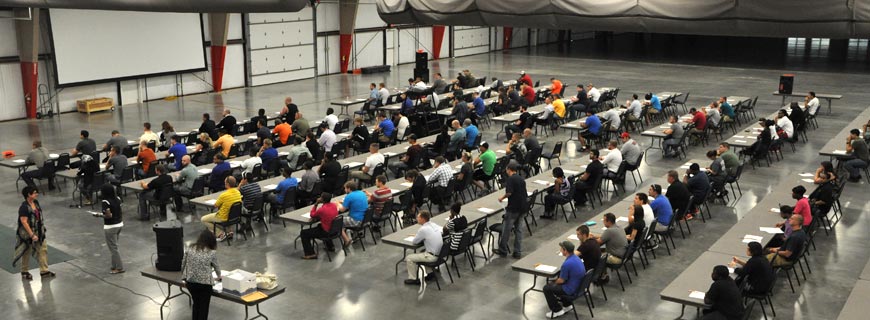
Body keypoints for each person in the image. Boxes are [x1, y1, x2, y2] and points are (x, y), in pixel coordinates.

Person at [14, 186, 54, 280]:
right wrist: (32, 234)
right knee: (26, 251)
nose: (37, 194)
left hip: (39, 231)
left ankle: (44, 271)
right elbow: (24, 222)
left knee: (43, 249)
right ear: (29, 194)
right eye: (35, 192)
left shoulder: (35, 203)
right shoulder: (24, 207)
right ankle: (24, 271)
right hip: (27, 233)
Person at [181, 230, 221, 320]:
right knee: (203, 308)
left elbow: (183, 263)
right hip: (205, 285)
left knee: (196, 305)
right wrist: (219, 276)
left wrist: (183, 277)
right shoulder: (211, 253)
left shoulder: (190, 248)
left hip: (190, 283)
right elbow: (217, 267)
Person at [542, 241, 586, 318]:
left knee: (547, 288)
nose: (560, 250)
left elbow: (561, 280)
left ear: (565, 250)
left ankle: (557, 310)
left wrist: (553, 282)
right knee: (555, 283)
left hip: (571, 289)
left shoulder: (567, 264)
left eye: (561, 249)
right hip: (578, 286)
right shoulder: (576, 258)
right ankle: (567, 305)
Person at [494, 162, 527, 258]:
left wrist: (502, 198)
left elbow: (509, 192)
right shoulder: (521, 179)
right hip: (522, 207)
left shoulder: (511, 179)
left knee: (506, 229)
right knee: (519, 230)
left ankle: (503, 250)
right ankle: (517, 251)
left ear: (509, 169)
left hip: (513, 208)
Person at [404, 210, 443, 285]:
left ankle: (413, 279)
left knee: (409, 258)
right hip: (440, 254)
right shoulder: (433, 224)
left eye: (418, 217)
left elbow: (415, 242)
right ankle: (430, 273)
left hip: (432, 257)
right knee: (423, 251)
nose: (416, 218)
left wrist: (419, 236)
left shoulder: (423, 229)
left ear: (423, 219)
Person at [300, 192, 339, 259]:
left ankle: (310, 254)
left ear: (322, 200)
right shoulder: (333, 205)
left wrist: (316, 204)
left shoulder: (322, 209)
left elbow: (312, 214)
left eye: (320, 197)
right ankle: (331, 246)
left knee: (304, 233)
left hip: (326, 232)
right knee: (319, 226)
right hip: (334, 229)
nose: (319, 198)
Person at [202, 176, 241, 241]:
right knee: (228, 210)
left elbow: (216, 205)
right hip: (234, 216)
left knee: (203, 219)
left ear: (227, 184)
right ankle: (229, 231)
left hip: (223, 217)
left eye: (225, 182)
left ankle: (221, 234)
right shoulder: (238, 192)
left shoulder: (224, 195)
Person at [98, 183, 124, 274]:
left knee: (113, 248)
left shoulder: (105, 202)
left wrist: (100, 215)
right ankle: (114, 265)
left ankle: (120, 268)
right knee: (114, 246)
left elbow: (108, 215)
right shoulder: (118, 199)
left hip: (110, 226)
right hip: (119, 224)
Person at [338, 181, 368, 246]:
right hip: (365, 219)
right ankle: (353, 235)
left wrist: (337, 203)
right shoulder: (362, 193)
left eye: (345, 188)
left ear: (349, 189)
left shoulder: (349, 196)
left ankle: (347, 240)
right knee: (345, 216)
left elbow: (342, 209)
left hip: (356, 220)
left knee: (337, 222)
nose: (344, 190)